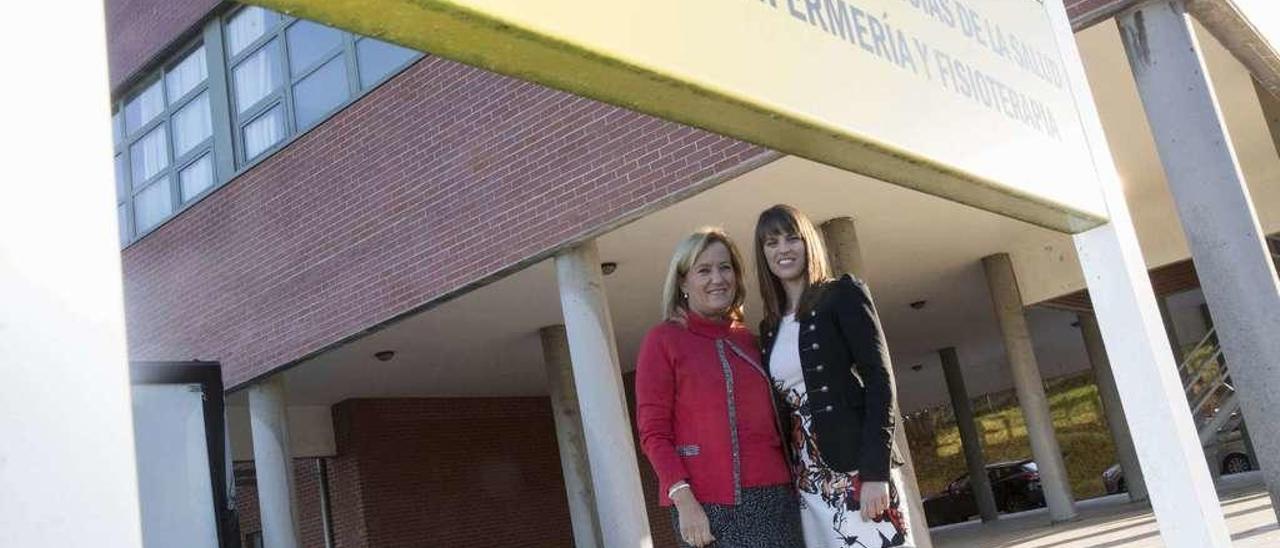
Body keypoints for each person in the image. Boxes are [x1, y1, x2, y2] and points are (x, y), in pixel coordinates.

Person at [753, 204, 912, 548]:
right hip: (808, 481)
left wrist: (875, 472)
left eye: (792, 238)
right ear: (763, 253)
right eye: (771, 242)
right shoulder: (768, 328)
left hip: (856, 470)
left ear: (808, 242)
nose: (783, 249)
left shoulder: (842, 295)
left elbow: (880, 382)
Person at [635, 227, 803, 548]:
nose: (718, 278)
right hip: (708, 507)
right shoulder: (663, 340)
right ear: (683, 281)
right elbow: (653, 434)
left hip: (779, 501)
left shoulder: (751, 341)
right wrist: (684, 501)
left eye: (725, 267)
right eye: (704, 270)